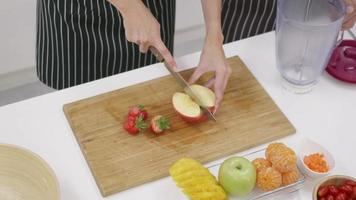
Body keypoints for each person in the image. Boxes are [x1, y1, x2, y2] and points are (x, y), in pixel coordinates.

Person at [36, 0, 356, 113]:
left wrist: (213, 35)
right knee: (80, 106)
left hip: (154, 5)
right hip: (80, 14)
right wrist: (129, 5)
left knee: (142, 91)